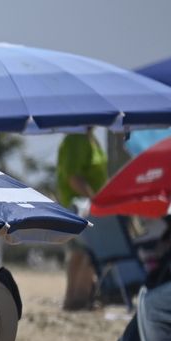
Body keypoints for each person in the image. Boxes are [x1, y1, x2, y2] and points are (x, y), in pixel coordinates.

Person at [58, 131, 109, 310]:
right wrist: (96, 199)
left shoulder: (90, 138)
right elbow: (73, 178)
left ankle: (73, 299)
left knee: (79, 253)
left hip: (86, 206)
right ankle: (78, 299)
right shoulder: (76, 138)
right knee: (87, 253)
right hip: (81, 206)